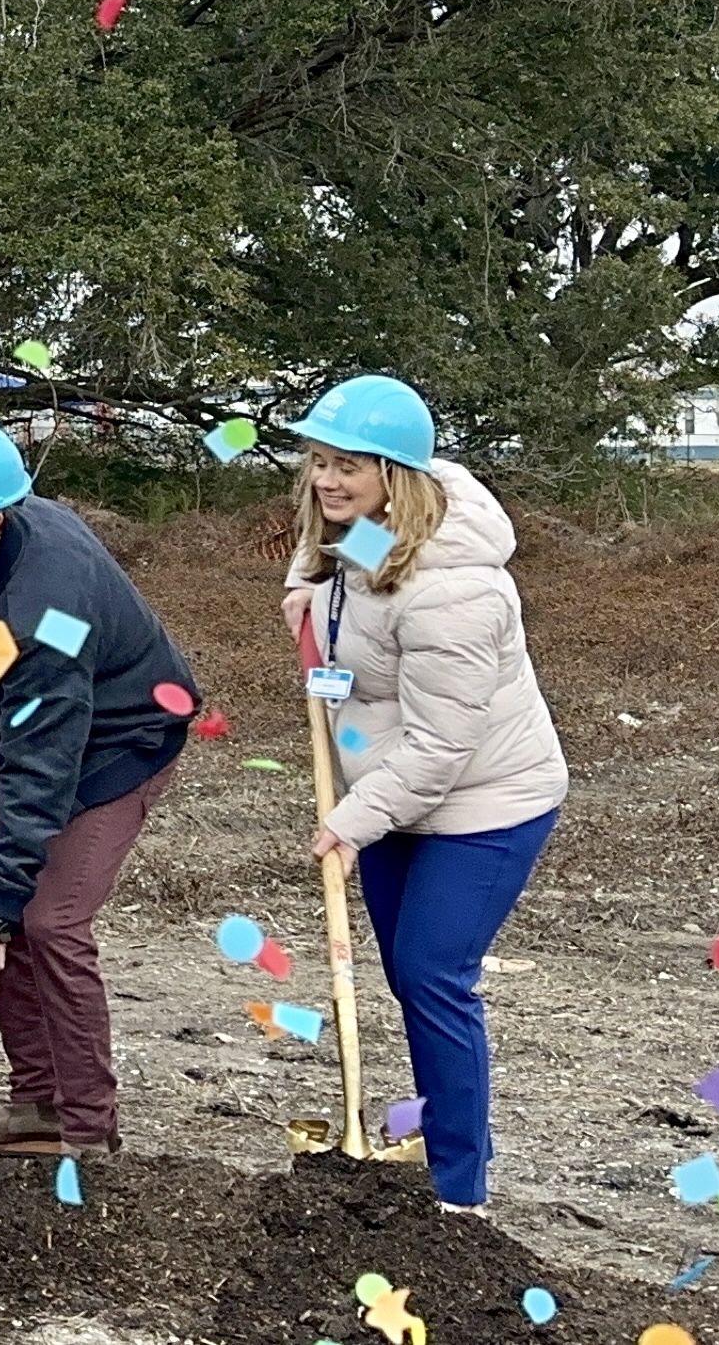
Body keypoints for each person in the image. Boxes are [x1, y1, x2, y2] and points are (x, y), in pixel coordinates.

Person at [281, 375, 568, 1213]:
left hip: (486, 802)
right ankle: (423, 1135)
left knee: (432, 972)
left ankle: (459, 1189)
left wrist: (351, 820)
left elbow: (444, 748)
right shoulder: (372, 535)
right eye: (321, 463)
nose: (328, 482)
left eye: (350, 467)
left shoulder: (457, 589)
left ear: (395, 475)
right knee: (409, 977)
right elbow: (342, 574)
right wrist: (309, 594)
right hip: (394, 787)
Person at [0, 416, 191, 1160]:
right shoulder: (14, 528)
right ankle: (38, 1106)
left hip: (124, 741)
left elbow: (43, 772)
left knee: (46, 919)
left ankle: (88, 1130)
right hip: (61, 718)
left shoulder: (46, 614)